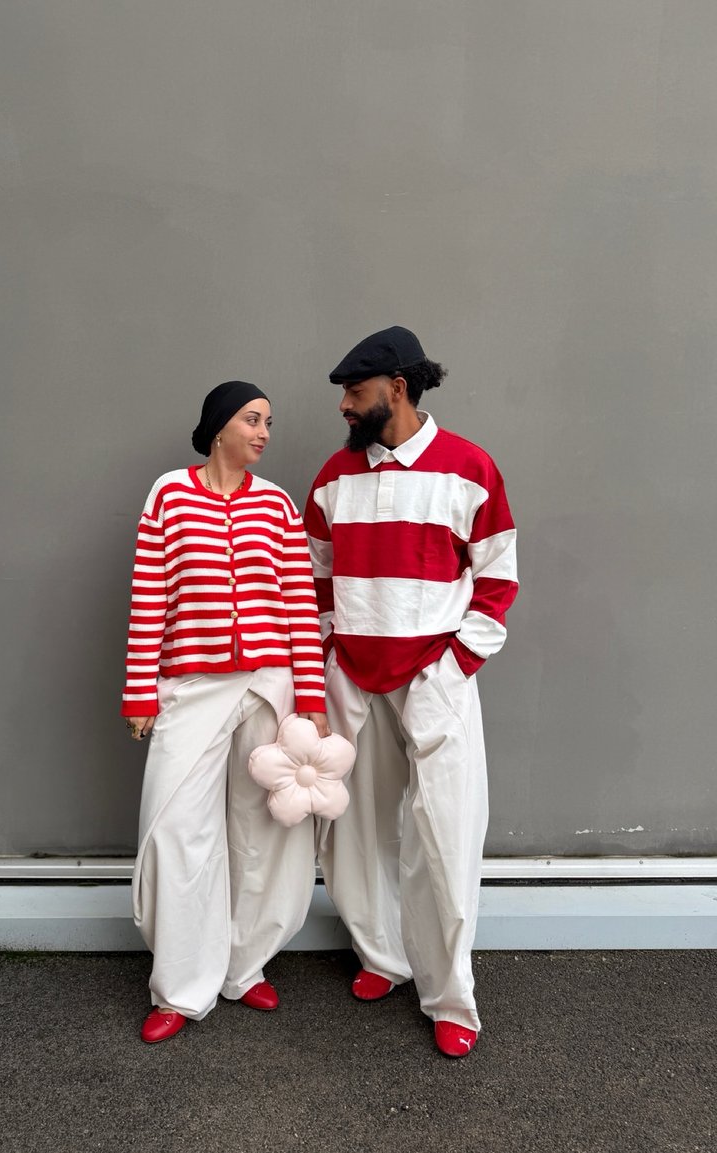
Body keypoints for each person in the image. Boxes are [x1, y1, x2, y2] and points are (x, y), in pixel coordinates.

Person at [304, 327, 518, 1058]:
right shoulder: (334, 476)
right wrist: (331, 649)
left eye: (354, 391)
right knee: (356, 828)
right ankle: (383, 956)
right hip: (353, 678)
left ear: (396, 387)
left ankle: (450, 994)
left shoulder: (469, 467)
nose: (343, 404)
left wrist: (456, 664)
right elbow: (316, 577)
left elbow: (497, 579)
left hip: (436, 676)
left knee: (446, 834)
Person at [122, 380, 328, 1044]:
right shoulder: (170, 494)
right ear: (219, 426)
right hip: (192, 685)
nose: (265, 432)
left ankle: (245, 963)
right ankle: (180, 986)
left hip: (270, 683)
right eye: (252, 419)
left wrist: (313, 697)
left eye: (269, 421)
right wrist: (139, 692)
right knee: (181, 828)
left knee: (264, 828)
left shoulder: (276, 503)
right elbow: (150, 593)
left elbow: (300, 602)